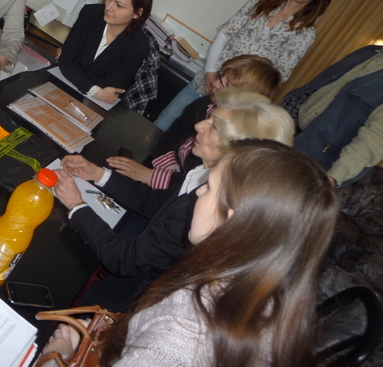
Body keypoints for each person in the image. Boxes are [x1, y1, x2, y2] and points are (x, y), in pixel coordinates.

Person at [43, 139, 338, 366]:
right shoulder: (267, 295)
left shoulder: (182, 331)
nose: (197, 192)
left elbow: (167, 343)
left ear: (231, 221)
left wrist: (58, 354)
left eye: (209, 187)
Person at [54, 88, 295, 311]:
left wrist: (76, 205)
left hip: (143, 296)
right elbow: (153, 203)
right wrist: (98, 174)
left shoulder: (205, 205)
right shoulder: (204, 173)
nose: (199, 125)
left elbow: (123, 260)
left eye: (214, 126)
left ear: (234, 151)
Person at [154, 0, 341, 131]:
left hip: (232, 106)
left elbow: (276, 77)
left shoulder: (305, 33)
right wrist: (210, 73)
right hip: (204, 84)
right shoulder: (261, 2)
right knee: (160, 127)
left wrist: (231, 91)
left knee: (188, 148)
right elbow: (225, 34)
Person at [109, 54, 281, 189]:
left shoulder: (231, 142)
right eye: (220, 76)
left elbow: (190, 186)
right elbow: (167, 140)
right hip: (157, 175)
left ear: (243, 96)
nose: (214, 83)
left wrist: (150, 176)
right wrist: (148, 170)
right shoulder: (203, 105)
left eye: (225, 83)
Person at [280, 44, 383, 187]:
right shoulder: (369, 51)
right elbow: (320, 86)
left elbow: (374, 141)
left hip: (317, 163)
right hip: (290, 134)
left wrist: (333, 177)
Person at [57, 0, 153, 104]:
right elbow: (66, 61)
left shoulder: (139, 45)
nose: (108, 7)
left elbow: (112, 88)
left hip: (97, 104)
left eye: (119, 5)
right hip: (65, 85)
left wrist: (75, 68)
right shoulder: (90, 14)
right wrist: (96, 90)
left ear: (137, 13)